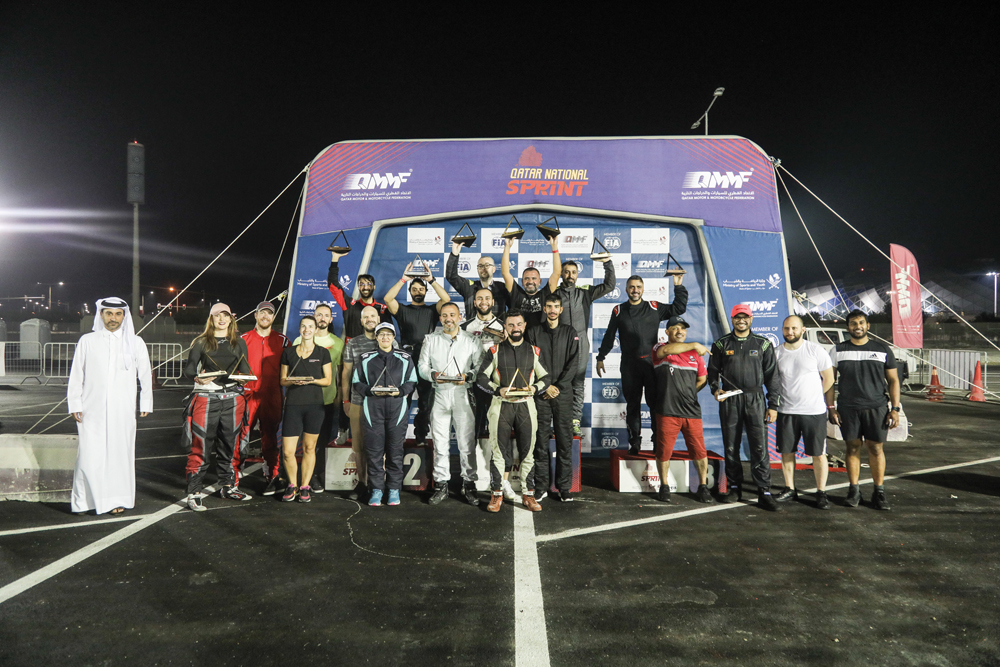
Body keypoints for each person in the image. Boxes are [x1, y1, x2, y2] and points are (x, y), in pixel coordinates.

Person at [67, 297, 152, 515]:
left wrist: (146, 402)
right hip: (90, 408)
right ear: (101, 315)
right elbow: (77, 375)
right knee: (89, 455)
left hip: (123, 410)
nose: (113, 318)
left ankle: (117, 500)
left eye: (118, 314)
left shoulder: (136, 342)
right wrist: (75, 403)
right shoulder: (87, 340)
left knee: (119, 454)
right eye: (108, 313)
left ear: (124, 316)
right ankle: (87, 501)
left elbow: (145, 375)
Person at [597, 274, 688, 453]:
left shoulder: (654, 307)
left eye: (638, 287)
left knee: (655, 405)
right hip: (630, 366)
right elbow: (609, 336)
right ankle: (635, 443)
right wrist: (601, 357)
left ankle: (657, 442)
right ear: (626, 289)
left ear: (643, 289)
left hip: (652, 364)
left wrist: (678, 286)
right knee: (633, 406)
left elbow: (679, 308)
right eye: (632, 287)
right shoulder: (618, 310)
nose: (635, 290)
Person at [707, 304, 781, 511]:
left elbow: (772, 377)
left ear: (751, 319)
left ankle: (764, 491)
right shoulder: (721, 344)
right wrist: (715, 389)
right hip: (731, 399)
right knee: (731, 446)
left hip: (755, 399)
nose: (741, 320)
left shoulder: (763, 344)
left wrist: (773, 405)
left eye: (745, 317)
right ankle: (734, 487)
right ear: (732, 319)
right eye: (737, 317)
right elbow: (712, 371)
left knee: (759, 447)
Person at [826, 310, 900, 510]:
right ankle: (854, 490)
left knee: (876, 448)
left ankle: (879, 492)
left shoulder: (883, 349)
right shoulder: (838, 350)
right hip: (848, 409)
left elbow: (893, 380)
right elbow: (829, 382)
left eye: (861, 323)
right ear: (847, 327)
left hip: (876, 408)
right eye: (852, 323)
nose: (857, 326)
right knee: (852, 448)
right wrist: (831, 408)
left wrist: (895, 409)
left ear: (868, 326)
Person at [182, 303, 253, 511]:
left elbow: (245, 369)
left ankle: (228, 486)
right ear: (211, 319)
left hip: (233, 398)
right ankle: (194, 493)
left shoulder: (239, 342)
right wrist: (197, 378)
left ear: (231, 318)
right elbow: (189, 369)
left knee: (230, 444)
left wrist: (243, 379)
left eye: (225, 316)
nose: (221, 320)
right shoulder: (201, 342)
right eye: (217, 316)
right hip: (206, 397)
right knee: (201, 444)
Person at [477, 310, 550, 513]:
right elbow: (481, 377)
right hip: (501, 405)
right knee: (499, 452)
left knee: (528, 452)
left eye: (518, 324)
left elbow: (546, 378)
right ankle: (497, 494)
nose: (515, 328)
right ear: (505, 327)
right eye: (511, 325)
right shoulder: (494, 351)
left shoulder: (534, 351)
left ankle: (528, 494)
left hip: (526, 405)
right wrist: (497, 389)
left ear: (524, 326)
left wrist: (535, 389)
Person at [418, 302, 486, 506]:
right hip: (439, 394)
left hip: (462, 393)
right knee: (440, 443)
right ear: (440, 318)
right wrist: (432, 375)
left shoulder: (472, 340)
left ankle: (469, 485)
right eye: (444, 315)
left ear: (459, 317)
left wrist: (468, 376)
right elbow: (422, 366)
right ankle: (441, 485)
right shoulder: (430, 339)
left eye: (452, 315)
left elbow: (480, 366)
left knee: (467, 444)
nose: (448, 318)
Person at [551, 238, 616, 436]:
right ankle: (558, 423)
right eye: (566, 272)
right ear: (561, 274)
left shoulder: (585, 292)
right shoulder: (553, 293)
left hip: (581, 346)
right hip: (559, 346)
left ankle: (575, 422)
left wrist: (607, 263)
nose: (570, 275)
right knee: (558, 383)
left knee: (578, 385)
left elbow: (610, 285)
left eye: (573, 272)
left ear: (578, 275)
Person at [383, 260, 452, 446]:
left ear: (426, 291)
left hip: (426, 359)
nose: (418, 291)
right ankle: (397, 438)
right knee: (401, 401)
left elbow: (446, 300)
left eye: (421, 289)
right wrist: (404, 279)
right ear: (410, 291)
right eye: (414, 289)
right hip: (405, 359)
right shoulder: (403, 309)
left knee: (425, 403)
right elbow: (388, 299)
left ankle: (421, 438)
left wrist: (431, 280)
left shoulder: (432, 310)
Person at [773, 316, 836, 510]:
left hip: (814, 412)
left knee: (818, 454)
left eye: (794, 328)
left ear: (803, 330)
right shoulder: (776, 353)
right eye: (786, 328)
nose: (789, 332)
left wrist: (814, 397)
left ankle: (821, 492)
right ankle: (790, 488)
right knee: (787, 452)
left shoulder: (815, 350)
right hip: (786, 411)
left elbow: (829, 379)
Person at [353, 323, 418, 507]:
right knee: (374, 452)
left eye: (388, 334)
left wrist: (399, 391)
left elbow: (412, 380)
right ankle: (376, 490)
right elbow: (357, 382)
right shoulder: (366, 358)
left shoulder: (405, 358)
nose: (385, 338)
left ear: (393, 337)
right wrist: (370, 391)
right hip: (372, 408)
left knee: (395, 452)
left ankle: (393, 489)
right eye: (381, 334)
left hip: (397, 409)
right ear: (376, 337)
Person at [650, 316, 712, 503]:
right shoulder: (659, 348)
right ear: (667, 332)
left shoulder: (695, 355)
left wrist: (688, 392)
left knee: (699, 451)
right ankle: (664, 486)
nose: (680, 331)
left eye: (683, 329)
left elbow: (702, 379)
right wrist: (694, 344)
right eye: (675, 328)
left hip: (691, 412)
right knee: (664, 451)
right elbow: (667, 350)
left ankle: (702, 486)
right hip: (667, 411)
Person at [526, 293, 579, 502]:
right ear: (544, 308)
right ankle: (541, 487)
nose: (552, 310)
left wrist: (557, 386)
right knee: (540, 442)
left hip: (563, 394)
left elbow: (574, 363)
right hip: (541, 393)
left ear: (561, 309)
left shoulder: (570, 332)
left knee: (565, 442)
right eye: (549, 306)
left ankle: (564, 487)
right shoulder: (534, 332)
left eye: (556, 306)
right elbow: (529, 362)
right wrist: (545, 386)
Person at [341, 306, 398, 501]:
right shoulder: (353, 343)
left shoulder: (390, 341)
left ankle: (379, 486)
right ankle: (363, 483)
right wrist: (345, 400)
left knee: (381, 446)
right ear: (361, 321)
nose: (369, 319)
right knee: (359, 446)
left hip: (384, 404)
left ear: (378, 317)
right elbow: (346, 373)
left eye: (373, 316)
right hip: (358, 401)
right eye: (365, 317)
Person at [277, 316, 333, 503]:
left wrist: (311, 380)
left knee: (309, 448)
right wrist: (293, 381)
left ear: (316, 330)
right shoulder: (289, 353)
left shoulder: (323, 352)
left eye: (310, 326)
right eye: (303, 326)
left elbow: (327, 380)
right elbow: (283, 380)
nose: (307, 329)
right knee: (288, 451)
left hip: (314, 406)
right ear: (299, 329)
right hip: (293, 405)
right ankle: (292, 484)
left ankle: (304, 486)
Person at [238, 301, 289, 496]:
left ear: (273, 317)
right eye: (262, 313)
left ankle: (272, 475)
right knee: (242, 434)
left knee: (270, 437)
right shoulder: (243, 339)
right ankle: (234, 474)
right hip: (248, 395)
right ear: (256, 315)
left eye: (269, 314)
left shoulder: (283, 341)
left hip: (272, 395)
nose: (265, 317)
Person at [292, 303, 345, 493]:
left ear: (331, 319)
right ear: (313, 318)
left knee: (322, 441)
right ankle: (292, 477)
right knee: (301, 441)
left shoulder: (338, 343)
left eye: (326, 315)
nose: (322, 318)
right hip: (302, 399)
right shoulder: (300, 339)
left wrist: (339, 394)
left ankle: (315, 476)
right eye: (319, 315)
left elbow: (340, 372)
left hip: (326, 400)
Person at [461, 287, 506, 453]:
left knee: (497, 426)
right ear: (474, 302)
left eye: (487, 298)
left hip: (496, 382)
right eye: (480, 298)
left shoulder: (503, 327)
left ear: (493, 302)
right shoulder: (465, 327)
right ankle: (472, 470)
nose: (484, 302)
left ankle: (495, 467)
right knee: (473, 425)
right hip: (472, 383)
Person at [326, 250, 392, 338]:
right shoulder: (349, 305)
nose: (365, 287)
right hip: (353, 350)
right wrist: (335, 258)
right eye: (362, 284)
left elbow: (389, 334)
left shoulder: (383, 310)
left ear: (374, 287)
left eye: (369, 284)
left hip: (375, 350)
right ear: (358, 287)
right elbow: (333, 285)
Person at [501, 235, 560, 327]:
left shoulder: (545, 294)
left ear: (539, 281)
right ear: (522, 281)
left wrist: (554, 247)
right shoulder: (516, 293)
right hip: (519, 338)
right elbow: (505, 273)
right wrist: (507, 247)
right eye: (527, 278)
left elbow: (557, 273)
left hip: (540, 338)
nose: (530, 281)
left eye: (534, 278)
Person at [447, 241, 509, 318]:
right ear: (477, 269)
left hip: (498, 329)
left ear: (494, 269)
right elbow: (451, 277)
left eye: (487, 265)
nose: (484, 268)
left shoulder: (502, 287)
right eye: (480, 266)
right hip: (472, 329)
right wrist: (454, 254)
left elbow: (514, 306)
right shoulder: (469, 287)